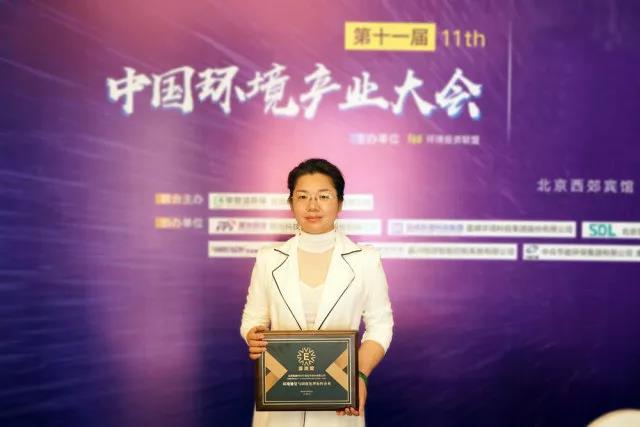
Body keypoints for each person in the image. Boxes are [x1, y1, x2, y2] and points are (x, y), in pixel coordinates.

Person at [240, 158, 394, 427]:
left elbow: (380, 326)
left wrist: (359, 375)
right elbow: (253, 319)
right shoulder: (268, 258)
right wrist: (253, 335)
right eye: (303, 196)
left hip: (339, 403)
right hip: (279, 401)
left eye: (323, 196)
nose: (313, 206)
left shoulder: (365, 260)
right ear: (291, 203)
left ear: (340, 203)